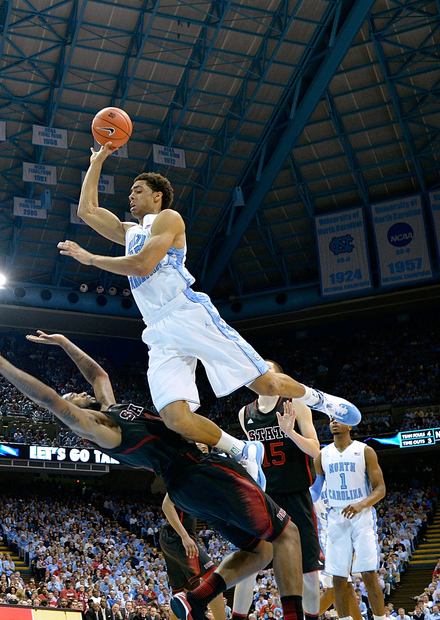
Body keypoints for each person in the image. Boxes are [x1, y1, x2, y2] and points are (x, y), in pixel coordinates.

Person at [0, 335, 347, 620]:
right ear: (78, 414)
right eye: (72, 399)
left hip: (189, 486)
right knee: (288, 533)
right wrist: (1, 364)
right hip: (201, 471)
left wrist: (63, 343)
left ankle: (195, 597)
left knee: (262, 551)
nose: (75, 394)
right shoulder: (103, 429)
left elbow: (98, 375)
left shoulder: (110, 407)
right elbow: (51, 401)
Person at [64, 147, 361, 460]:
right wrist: (97, 161)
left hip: (186, 313)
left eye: (138, 190)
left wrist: (91, 258)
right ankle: (243, 450)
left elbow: (142, 265)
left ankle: (320, 400)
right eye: (129, 192)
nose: (130, 196)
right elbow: (87, 211)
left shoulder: (167, 219)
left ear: (157, 197)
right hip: (157, 328)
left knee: (267, 386)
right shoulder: (130, 232)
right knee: (175, 419)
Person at [239, 371, 324, 620]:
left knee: (309, 570)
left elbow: (316, 451)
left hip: (296, 493)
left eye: (268, 370)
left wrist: (290, 433)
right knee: (249, 566)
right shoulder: (244, 414)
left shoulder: (295, 403)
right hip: (265, 497)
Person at [315, 417, 391, 620]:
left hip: (362, 515)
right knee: (338, 579)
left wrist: (361, 504)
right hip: (336, 517)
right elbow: (315, 489)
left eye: (340, 419)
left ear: (351, 425)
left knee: (369, 573)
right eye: (331, 419)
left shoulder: (364, 451)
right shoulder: (322, 455)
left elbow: (380, 488)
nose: (334, 422)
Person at [154, 481, 228, 620]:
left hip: (175, 538)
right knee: (215, 577)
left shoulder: (200, 484)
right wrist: (185, 537)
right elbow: (166, 505)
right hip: (177, 537)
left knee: (184, 595)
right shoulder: (185, 477)